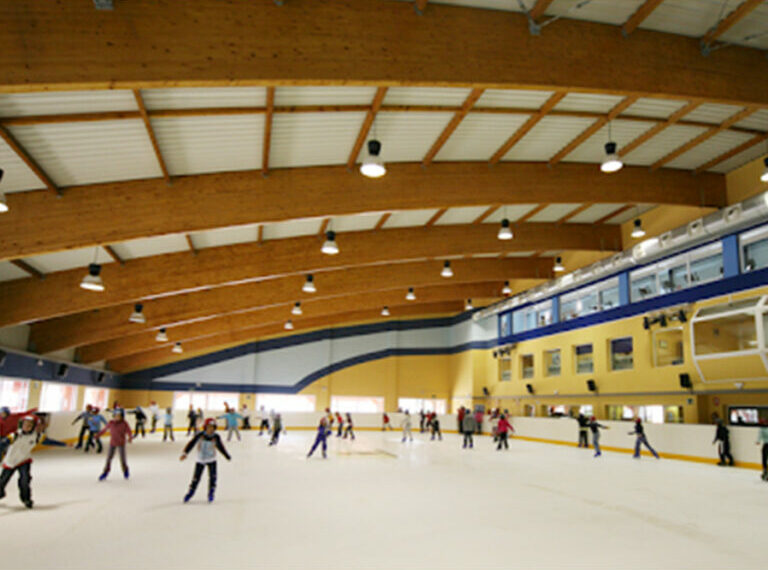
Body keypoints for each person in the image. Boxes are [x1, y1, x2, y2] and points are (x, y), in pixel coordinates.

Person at [0, 415, 65, 509]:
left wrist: (64, 444)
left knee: (24, 480)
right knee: (2, 482)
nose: (26, 427)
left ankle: (26, 499)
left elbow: (49, 442)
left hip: (24, 461)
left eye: (29, 425)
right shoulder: (15, 435)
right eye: (25, 424)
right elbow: (2, 444)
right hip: (10, 462)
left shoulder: (37, 436)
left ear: (34, 427)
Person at [181, 418, 231, 503]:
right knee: (196, 478)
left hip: (212, 460)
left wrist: (226, 455)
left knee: (213, 477)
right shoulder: (200, 435)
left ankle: (211, 492)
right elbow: (192, 443)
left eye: (212, 427)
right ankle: (191, 492)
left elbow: (220, 447)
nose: (210, 429)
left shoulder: (216, 436)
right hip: (200, 460)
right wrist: (185, 453)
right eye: (209, 427)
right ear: (205, 427)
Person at [97, 409, 133, 481]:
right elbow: (104, 429)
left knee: (122, 459)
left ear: (122, 417)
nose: (117, 417)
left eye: (118, 416)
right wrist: (98, 435)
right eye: (116, 416)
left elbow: (129, 431)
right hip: (112, 443)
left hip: (121, 443)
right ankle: (105, 472)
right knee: (109, 459)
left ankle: (125, 470)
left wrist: (130, 437)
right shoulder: (111, 423)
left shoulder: (124, 423)